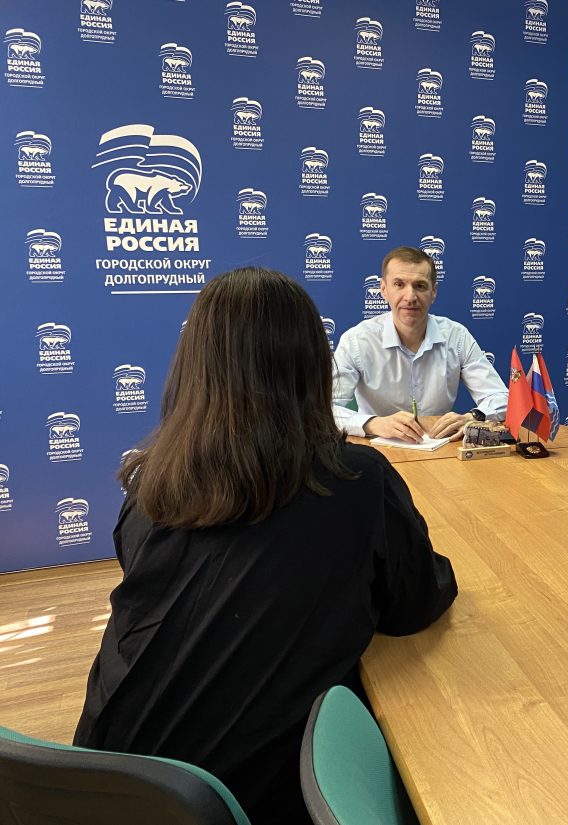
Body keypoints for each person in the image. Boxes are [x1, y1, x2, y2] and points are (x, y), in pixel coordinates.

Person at [74, 267, 457, 825]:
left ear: (194, 365)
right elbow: (414, 606)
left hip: (99, 788)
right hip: (235, 805)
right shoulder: (354, 480)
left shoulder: (149, 483)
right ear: (310, 365)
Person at [332, 246, 508, 442]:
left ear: (433, 291)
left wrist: (472, 417)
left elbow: (502, 398)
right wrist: (373, 423)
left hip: (440, 449)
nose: (410, 297)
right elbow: (323, 410)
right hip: (376, 449)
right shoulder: (357, 341)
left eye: (420, 286)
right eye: (399, 284)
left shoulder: (456, 337)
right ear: (384, 289)